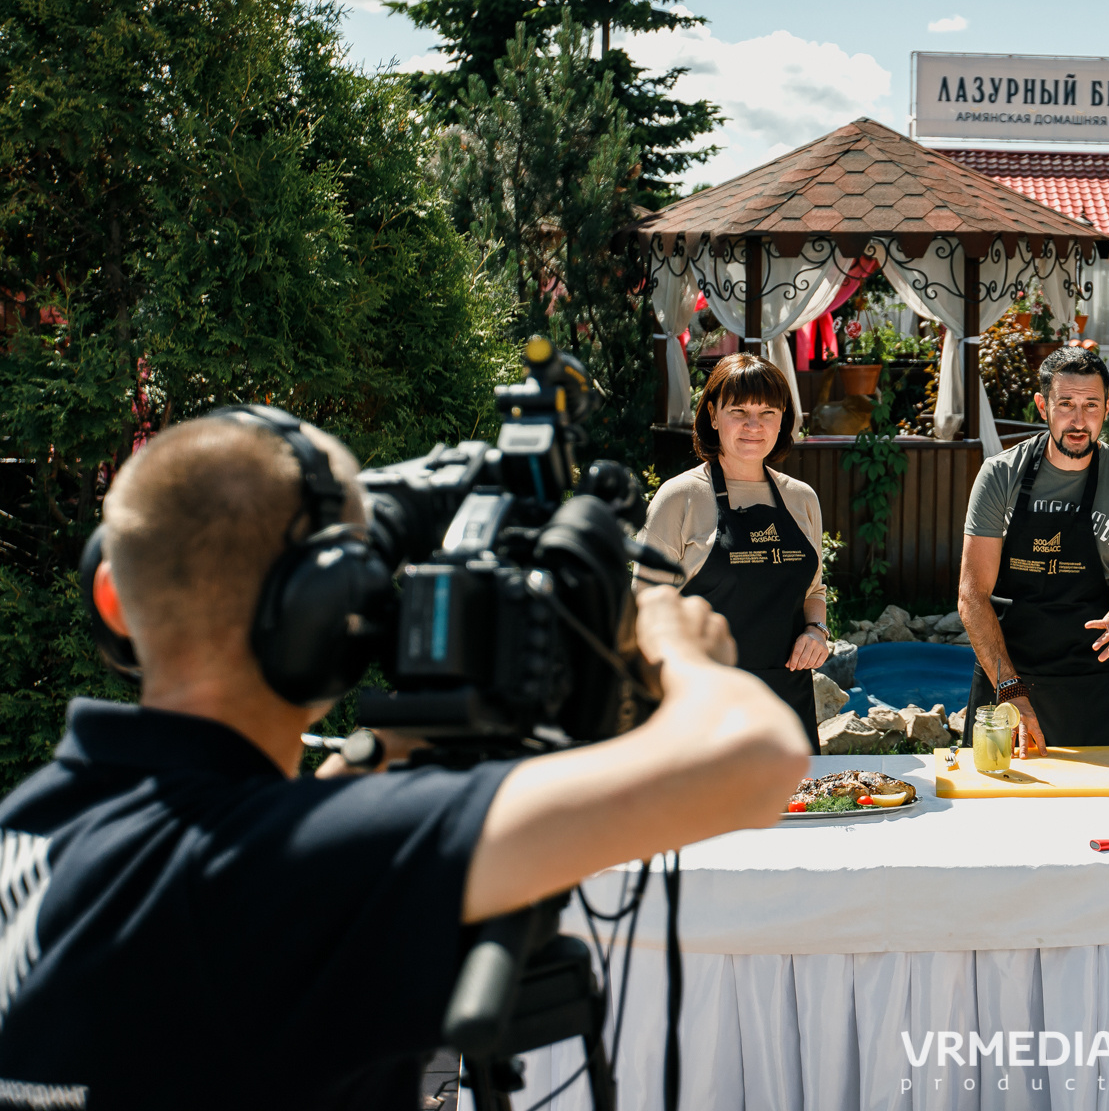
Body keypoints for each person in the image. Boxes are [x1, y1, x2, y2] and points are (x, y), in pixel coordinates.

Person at [0, 411, 806, 1108]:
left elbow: (249, 876)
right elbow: (756, 760)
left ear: (109, 598)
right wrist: (678, 648)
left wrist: (395, 748)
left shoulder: (34, 822)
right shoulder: (295, 870)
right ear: (330, 608)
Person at [958, 347, 1109, 754]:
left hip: (1091, 685)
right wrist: (1010, 689)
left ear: (1107, 407)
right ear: (1042, 406)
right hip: (1006, 674)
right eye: (1065, 404)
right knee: (995, 809)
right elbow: (972, 595)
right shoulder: (1000, 475)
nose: (1079, 420)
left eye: (1090, 405)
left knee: (1104, 812)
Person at [640, 354, 831, 749]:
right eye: (738, 411)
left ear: (783, 419)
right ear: (712, 415)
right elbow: (645, 611)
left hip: (786, 700)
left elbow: (814, 591)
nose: (753, 426)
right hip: (704, 706)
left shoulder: (802, 499)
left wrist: (816, 631)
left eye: (767, 412)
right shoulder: (680, 498)